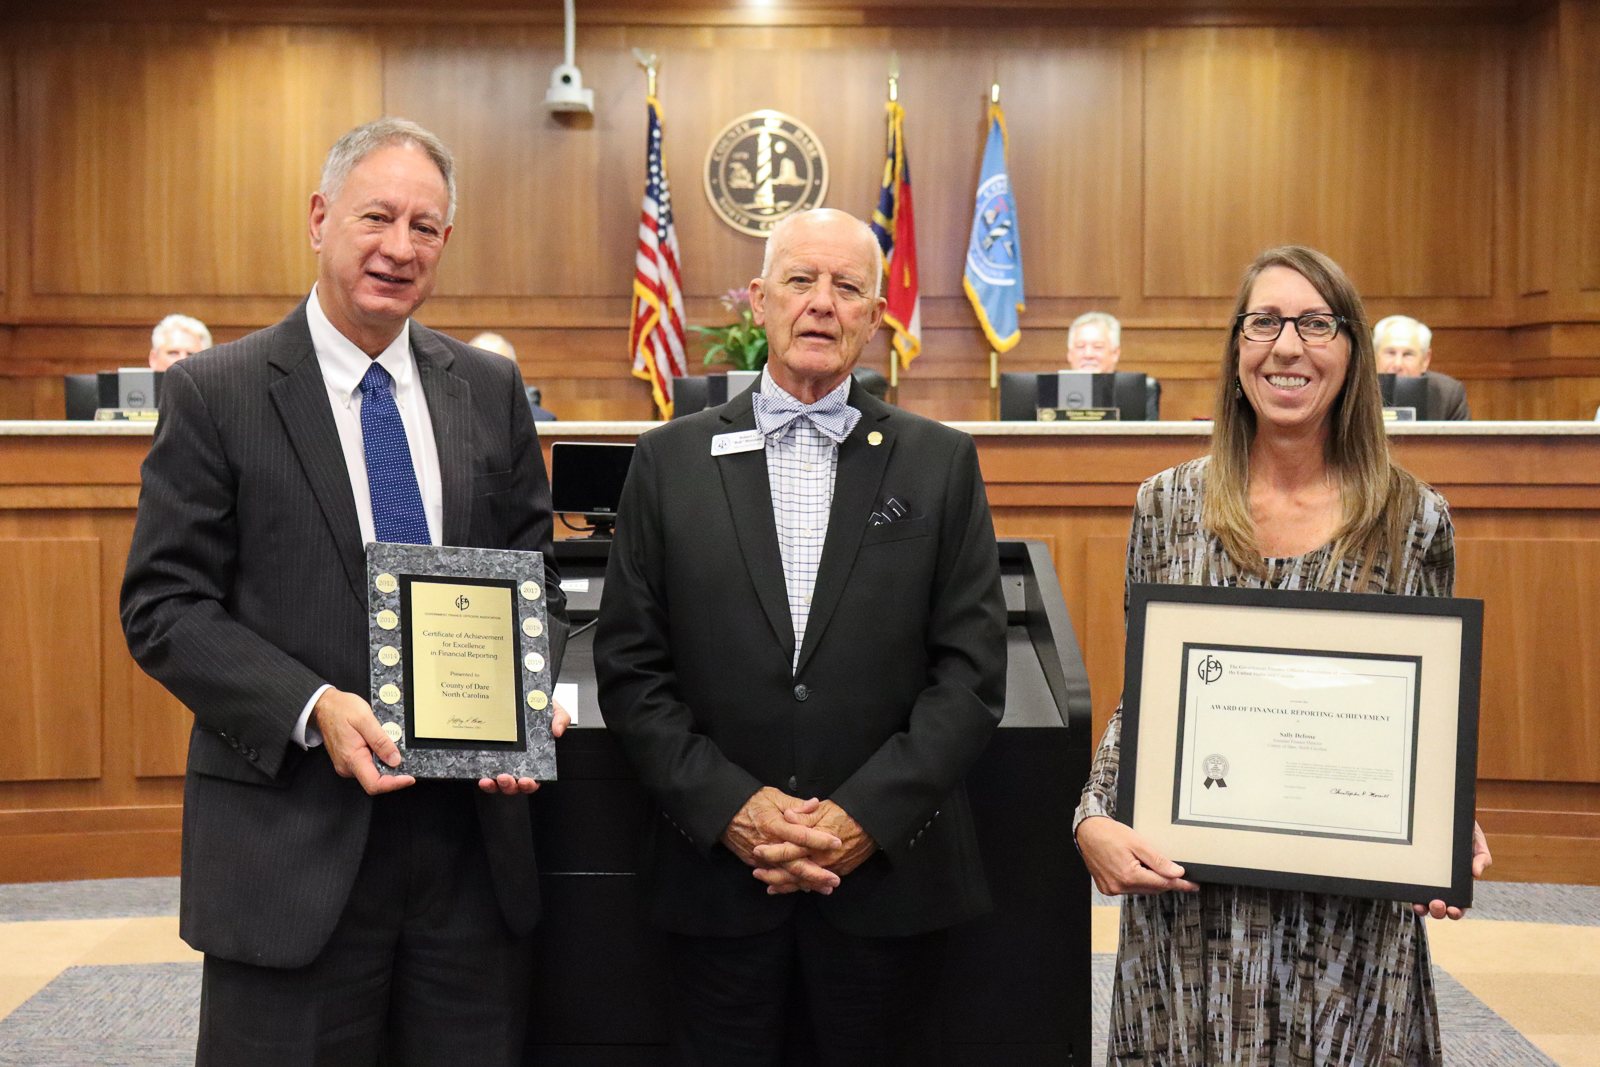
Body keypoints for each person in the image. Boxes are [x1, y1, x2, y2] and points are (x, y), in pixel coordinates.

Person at [121, 118, 568, 1066]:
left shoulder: (489, 388)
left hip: (467, 854)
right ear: (320, 218)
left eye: (426, 226)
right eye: (377, 216)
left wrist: (529, 697)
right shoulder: (216, 391)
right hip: (291, 843)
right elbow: (164, 605)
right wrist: (313, 706)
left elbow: (535, 575)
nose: (399, 248)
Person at [594, 208, 1006, 1064]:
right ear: (759, 300)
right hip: (717, 881)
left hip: (889, 884)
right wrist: (734, 810)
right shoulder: (666, 461)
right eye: (800, 281)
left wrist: (860, 818)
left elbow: (968, 676)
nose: (823, 303)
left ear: (874, 311)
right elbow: (632, 668)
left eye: (848, 286)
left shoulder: (940, 461)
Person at [1074, 246, 1492, 1066]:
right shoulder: (1167, 504)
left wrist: (1440, 814)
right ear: (1237, 351)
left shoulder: (1415, 519)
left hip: (1350, 906)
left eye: (1315, 323)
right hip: (1194, 904)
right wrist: (1091, 812)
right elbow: (1148, 695)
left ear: (1352, 350)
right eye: (1264, 322)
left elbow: (1424, 704)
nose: (1287, 345)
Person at [1373, 314, 1471, 420]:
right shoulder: (1356, 387)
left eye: (1408, 354)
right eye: (1390, 353)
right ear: (1374, 356)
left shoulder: (1448, 394)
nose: (1398, 364)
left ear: (1425, 360)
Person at [1066, 311, 1161, 419]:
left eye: (1098, 347)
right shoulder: (1051, 392)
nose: (1088, 355)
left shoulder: (1139, 392)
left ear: (1115, 353)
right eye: (1080, 347)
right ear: (1070, 354)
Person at [470, 331, 557, 420]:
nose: (490, 378)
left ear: (514, 374)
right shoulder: (456, 418)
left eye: (499, 368)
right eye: (481, 368)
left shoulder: (541, 421)